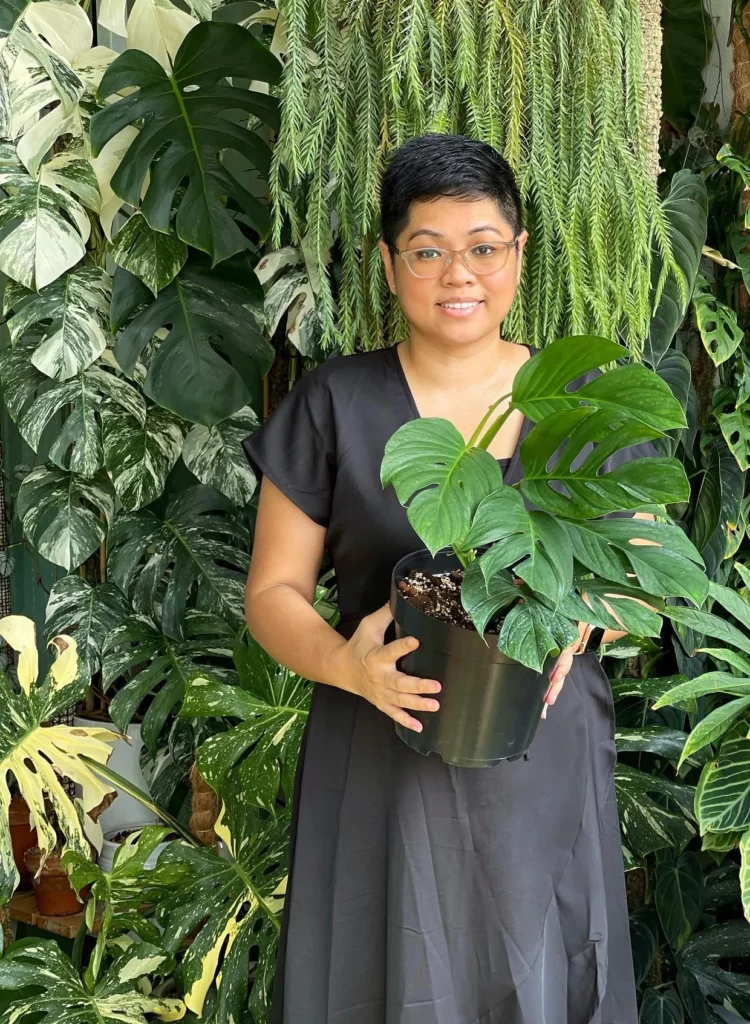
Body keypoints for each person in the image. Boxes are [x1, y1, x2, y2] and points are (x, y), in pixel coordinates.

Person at [243, 133, 638, 1024]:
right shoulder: (334, 403)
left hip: (539, 750)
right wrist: (346, 665)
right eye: (427, 250)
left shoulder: (584, 394)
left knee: (541, 972)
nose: (458, 274)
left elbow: (641, 567)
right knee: (381, 974)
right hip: (381, 752)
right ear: (390, 264)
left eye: (483, 247)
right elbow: (271, 595)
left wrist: (584, 618)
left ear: (518, 252)